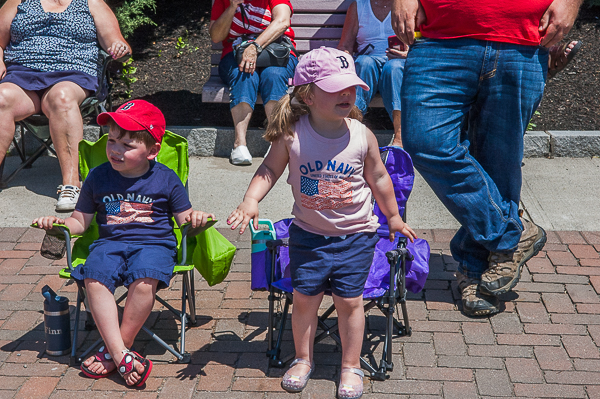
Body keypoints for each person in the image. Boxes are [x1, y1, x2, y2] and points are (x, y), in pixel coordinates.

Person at [227, 47, 416, 398]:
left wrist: (393, 217)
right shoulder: (292, 135)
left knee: (349, 303)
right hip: (309, 236)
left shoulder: (361, 135)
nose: (348, 93)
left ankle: (350, 365)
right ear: (308, 94)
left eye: (351, 87)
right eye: (336, 88)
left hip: (356, 237)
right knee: (304, 299)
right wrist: (251, 200)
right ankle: (302, 358)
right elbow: (269, 169)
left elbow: (379, 178)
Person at [392, 0, 583, 316]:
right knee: (425, 142)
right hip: (440, 38)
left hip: (522, 37)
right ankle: (512, 233)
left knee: (499, 160)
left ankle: (476, 271)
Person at [32, 100, 215, 386]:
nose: (116, 149)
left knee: (145, 279)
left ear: (153, 151)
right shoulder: (97, 176)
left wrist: (197, 218)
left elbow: (184, 219)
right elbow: (80, 222)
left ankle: (114, 351)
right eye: (112, 140)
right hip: (109, 245)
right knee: (93, 277)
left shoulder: (166, 179)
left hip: (155, 245)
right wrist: (58, 224)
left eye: (127, 145)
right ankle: (122, 355)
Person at [0, 0, 130, 211]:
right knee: (1, 98)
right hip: (23, 74)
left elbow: (116, 42)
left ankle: (71, 184)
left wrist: (119, 47)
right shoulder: (19, 1)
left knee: (61, 98)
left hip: (73, 74)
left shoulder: (91, 2)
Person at [209, 0, 298, 166]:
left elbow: (282, 21)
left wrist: (255, 46)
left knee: (273, 75)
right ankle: (239, 144)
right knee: (244, 74)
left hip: (276, 52)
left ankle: (277, 143)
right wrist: (232, 7)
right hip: (237, 54)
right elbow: (216, 36)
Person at [337, 0, 407, 147]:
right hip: (369, 62)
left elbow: (420, 39)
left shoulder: (406, 4)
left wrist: (408, 53)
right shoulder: (358, 6)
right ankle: (350, 129)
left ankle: (400, 137)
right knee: (364, 63)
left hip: (398, 62)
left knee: (393, 68)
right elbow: (345, 46)